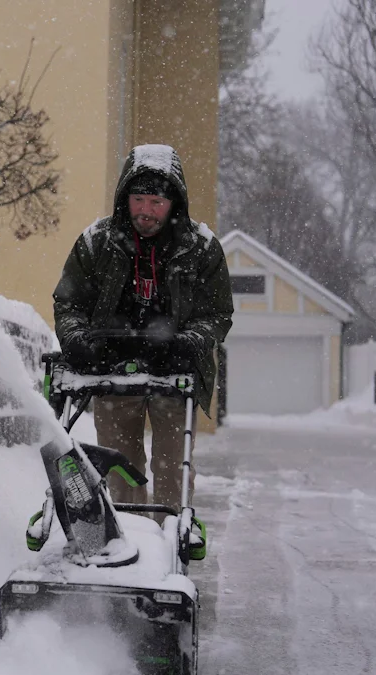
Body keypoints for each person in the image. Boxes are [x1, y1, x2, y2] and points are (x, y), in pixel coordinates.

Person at [52, 144, 233, 510]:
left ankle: (170, 537)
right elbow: (69, 303)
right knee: (119, 465)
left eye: (156, 203)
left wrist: (189, 342)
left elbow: (216, 313)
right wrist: (77, 341)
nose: (146, 211)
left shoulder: (200, 248)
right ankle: (127, 535)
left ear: (174, 204)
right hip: (111, 368)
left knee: (173, 468)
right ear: (125, 198)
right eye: (138, 200)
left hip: (174, 370)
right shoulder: (97, 243)